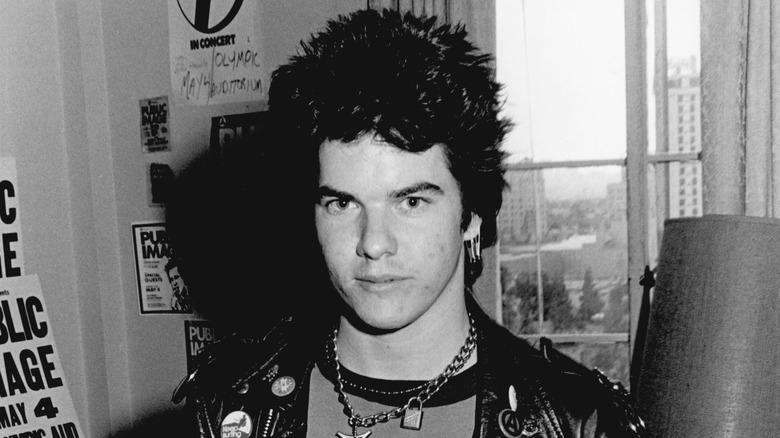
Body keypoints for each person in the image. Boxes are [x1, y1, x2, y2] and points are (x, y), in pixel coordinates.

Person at [172, 8, 649, 438]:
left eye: (412, 202)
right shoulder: (227, 407)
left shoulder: (578, 422)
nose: (373, 244)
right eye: (341, 204)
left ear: (472, 214)